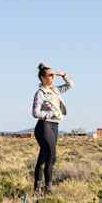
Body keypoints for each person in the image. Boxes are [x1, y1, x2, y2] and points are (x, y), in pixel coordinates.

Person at [31, 63, 72, 194]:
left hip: (54, 126)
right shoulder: (40, 93)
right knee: (51, 156)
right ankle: (48, 189)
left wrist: (63, 75)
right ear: (42, 78)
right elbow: (35, 113)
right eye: (50, 75)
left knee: (44, 156)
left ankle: (38, 189)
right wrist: (50, 114)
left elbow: (70, 85)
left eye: (53, 75)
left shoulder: (55, 90)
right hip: (44, 126)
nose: (52, 77)